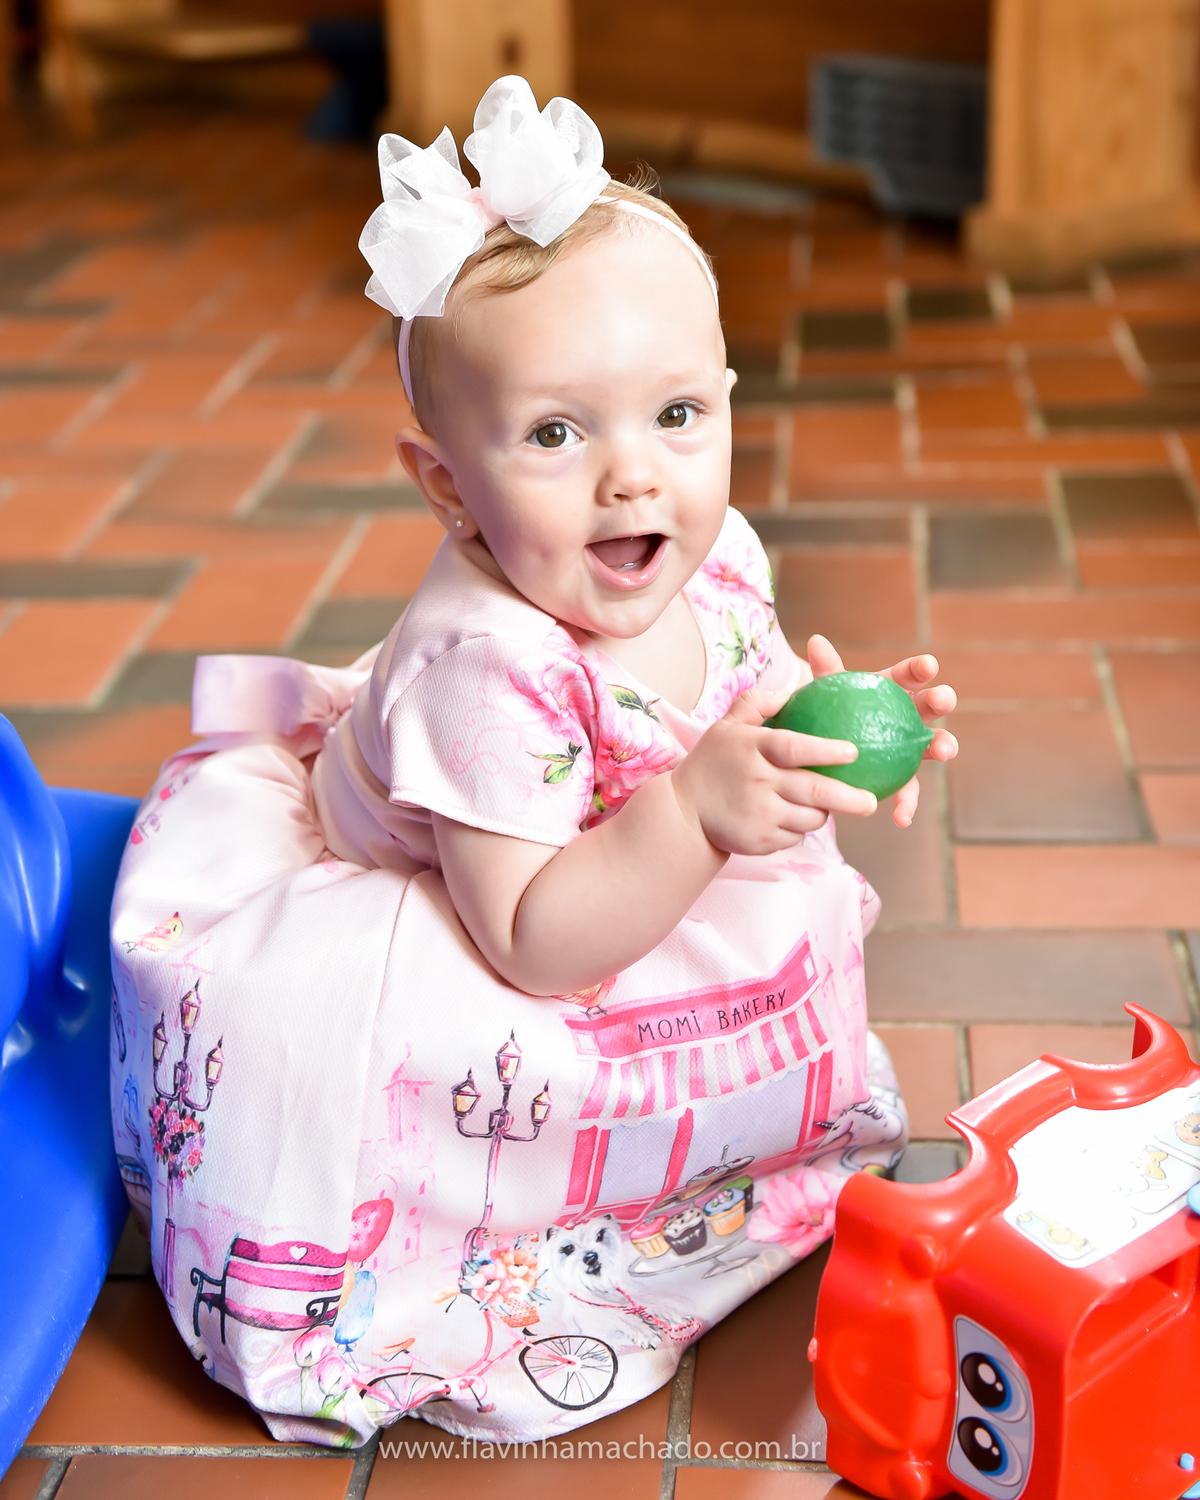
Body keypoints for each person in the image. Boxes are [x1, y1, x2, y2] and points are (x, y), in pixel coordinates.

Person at [109, 76, 958, 1450]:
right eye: (558, 434)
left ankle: (724, 1169)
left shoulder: (712, 552)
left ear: (727, 402)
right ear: (449, 486)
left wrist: (836, 726)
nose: (635, 477)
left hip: (618, 856)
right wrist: (697, 811)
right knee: (434, 1071)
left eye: (676, 415)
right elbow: (536, 946)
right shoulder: (485, 666)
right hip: (487, 900)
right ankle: (515, 1251)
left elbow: (745, 681)